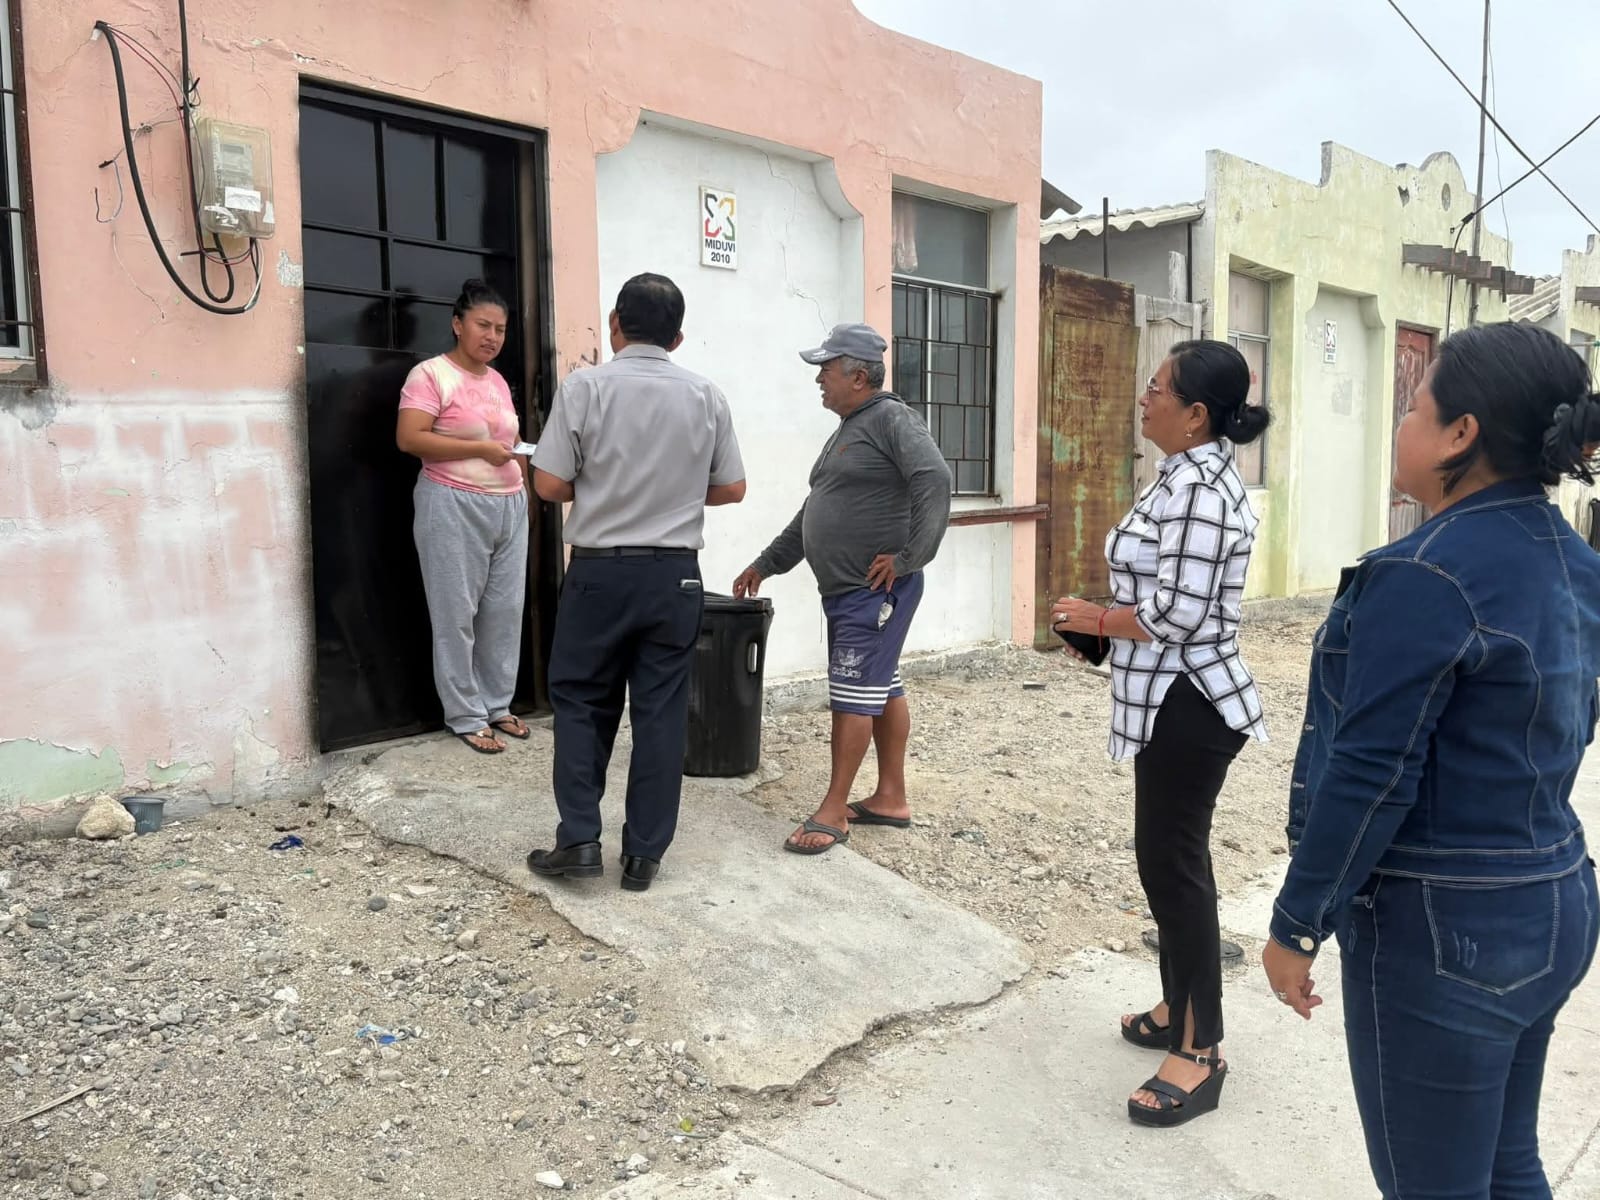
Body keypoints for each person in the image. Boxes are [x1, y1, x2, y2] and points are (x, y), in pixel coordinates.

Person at [1263, 322, 1600, 1199]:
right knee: (1506, 1163)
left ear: (1461, 434)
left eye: (1415, 407)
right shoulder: (1577, 561)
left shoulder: (1425, 572)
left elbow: (1370, 774)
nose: (1402, 425)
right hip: (1556, 896)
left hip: (1448, 930)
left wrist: (1299, 922)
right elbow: (1571, 725)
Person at [1051, 340, 1270, 1127]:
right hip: (1165, 699)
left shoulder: (1202, 492)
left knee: (1174, 869)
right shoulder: (1181, 476)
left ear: (1195, 414)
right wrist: (1102, 630)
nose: (1144, 398)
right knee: (1169, 863)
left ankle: (1201, 1051)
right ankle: (1177, 1008)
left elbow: (1179, 613)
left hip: (1191, 703)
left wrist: (1097, 619)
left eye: (1156, 388)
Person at [525, 273, 746, 893]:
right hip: (674, 577)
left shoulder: (586, 387)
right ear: (678, 337)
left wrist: (604, 486)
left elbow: (549, 484)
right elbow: (732, 487)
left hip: (599, 572)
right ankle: (644, 856)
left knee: (581, 703)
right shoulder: (706, 395)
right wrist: (674, 493)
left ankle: (580, 841)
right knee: (661, 714)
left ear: (615, 323)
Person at [732, 323, 951, 856]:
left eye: (825, 370)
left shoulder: (892, 418)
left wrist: (909, 557)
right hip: (850, 590)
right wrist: (767, 563)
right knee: (880, 686)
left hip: (873, 589)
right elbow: (817, 507)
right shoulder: (852, 427)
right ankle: (891, 797)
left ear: (858, 376)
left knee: (852, 695)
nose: (819, 380)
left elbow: (935, 478)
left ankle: (833, 810)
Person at [396, 278, 532, 755]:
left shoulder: (496, 381)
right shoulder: (430, 375)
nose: (492, 337)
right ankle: (466, 715)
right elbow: (409, 438)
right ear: (458, 324)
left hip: (509, 505)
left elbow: (510, 442)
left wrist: (523, 474)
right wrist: (479, 449)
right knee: (455, 613)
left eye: (500, 329)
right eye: (482, 325)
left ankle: (497, 704)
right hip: (452, 501)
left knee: (504, 612)